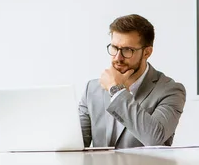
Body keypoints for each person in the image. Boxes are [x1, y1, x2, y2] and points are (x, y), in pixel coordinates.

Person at [78, 14, 186, 148]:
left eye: (127, 50)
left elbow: (154, 139)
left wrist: (116, 90)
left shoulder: (170, 90)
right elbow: (75, 143)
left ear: (147, 52)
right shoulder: (92, 89)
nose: (118, 57)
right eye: (114, 48)